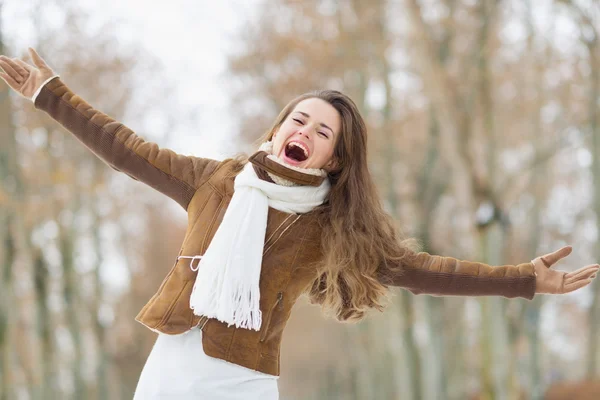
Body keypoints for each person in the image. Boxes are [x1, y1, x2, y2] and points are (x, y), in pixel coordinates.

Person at [1, 48, 598, 400]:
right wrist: (49, 94)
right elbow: (124, 148)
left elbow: (421, 270)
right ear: (276, 129)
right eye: (299, 120)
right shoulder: (216, 182)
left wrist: (524, 279)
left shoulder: (335, 228)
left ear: (333, 158)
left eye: (322, 132)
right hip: (175, 354)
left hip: (246, 376)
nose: (304, 134)